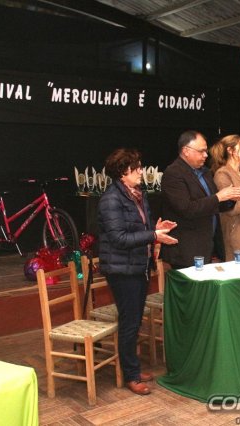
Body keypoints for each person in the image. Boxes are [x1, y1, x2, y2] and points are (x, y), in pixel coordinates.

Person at [98, 148, 178, 396]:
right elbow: (119, 238)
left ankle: (132, 367)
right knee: (130, 322)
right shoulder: (111, 199)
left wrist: (157, 228)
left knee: (134, 320)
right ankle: (131, 375)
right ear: (123, 171)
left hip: (138, 266)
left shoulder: (138, 195)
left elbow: (140, 229)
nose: (141, 172)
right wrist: (154, 235)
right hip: (122, 270)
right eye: (137, 168)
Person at [160, 130, 240, 268]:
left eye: (206, 151)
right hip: (187, 249)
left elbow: (215, 205)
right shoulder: (173, 173)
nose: (206, 155)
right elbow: (186, 209)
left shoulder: (205, 172)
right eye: (201, 151)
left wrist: (232, 197)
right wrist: (219, 197)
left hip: (209, 244)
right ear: (186, 151)